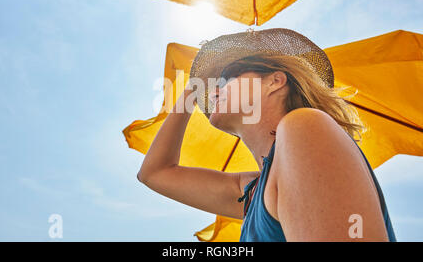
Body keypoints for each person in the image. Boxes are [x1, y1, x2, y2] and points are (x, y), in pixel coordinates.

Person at [136, 28, 396, 242]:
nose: (214, 91)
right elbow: (154, 173)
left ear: (275, 81)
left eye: (227, 78)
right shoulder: (251, 192)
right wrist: (190, 92)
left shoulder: (305, 126)